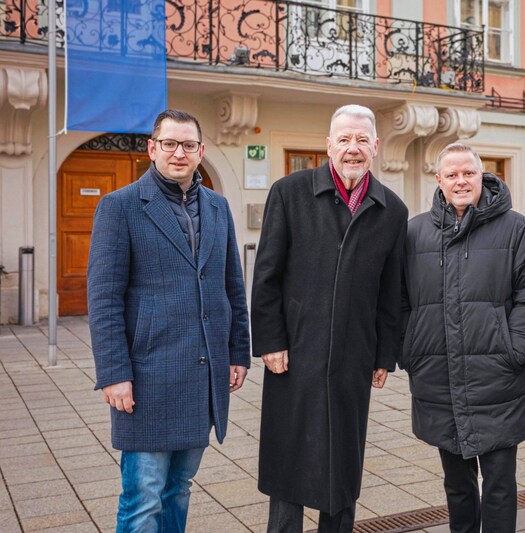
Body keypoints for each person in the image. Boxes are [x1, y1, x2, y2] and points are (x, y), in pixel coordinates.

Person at [87, 109, 251, 532]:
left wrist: (238, 352)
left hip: (203, 376)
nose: (179, 153)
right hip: (147, 378)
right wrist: (113, 374)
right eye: (170, 144)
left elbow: (232, 285)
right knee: (143, 497)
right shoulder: (120, 207)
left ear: (201, 151)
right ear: (152, 148)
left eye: (189, 145)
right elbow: (104, 299)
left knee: (179, 487)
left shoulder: (217, 207)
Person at [250, 104, 408, 532]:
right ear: (328, 145)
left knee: (342, 463)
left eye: (361, 140)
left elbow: (391, 293)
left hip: (353, 358)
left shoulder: (391, 209)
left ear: (375, 146)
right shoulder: (289, 192)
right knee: (289, 463)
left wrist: (383, 355)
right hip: (294, 353)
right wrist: (269, 340)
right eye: (344, 139)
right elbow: (266, 275)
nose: (352, 149)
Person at [400, 143, 525, 533]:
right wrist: (411, 350)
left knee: (499, 486)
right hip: (438, 379)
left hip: (497, 379)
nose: (461, 181)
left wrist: (513, 350)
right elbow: (398, 301)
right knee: (457, 486)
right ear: (439, 180)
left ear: (481, 176)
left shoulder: (516, 228)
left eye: (468, 173)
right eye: (452, 174)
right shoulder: (415, 232)